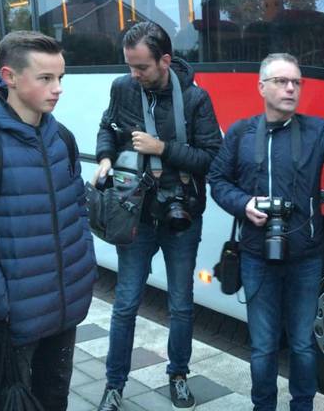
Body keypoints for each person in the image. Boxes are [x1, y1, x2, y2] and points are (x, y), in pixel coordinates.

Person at [207, 53, 324, 411]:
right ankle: (263, 406)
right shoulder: (241, 133)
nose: (291, 88)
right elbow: (217, 180)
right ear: (261, 87)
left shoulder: (316, 130)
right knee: (263, 347)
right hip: (255, 254)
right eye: (281, 81)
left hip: (305, 258)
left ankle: (302, 407)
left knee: (303, 345)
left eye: (296, 82)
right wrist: (244, 203)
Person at [0, 30, 96, 410]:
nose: (57, 88)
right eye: (46, 78)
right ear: (10, 77)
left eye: (61, 77)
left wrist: (83, 272)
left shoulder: (61, 138)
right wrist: (6, 301)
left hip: (64, 312)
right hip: (11, 323)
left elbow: (78, 208)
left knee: (54, 401)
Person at [93, 21, 222, 411]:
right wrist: (103, 158)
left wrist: (162, 148)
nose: (134, 75)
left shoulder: (196, 99)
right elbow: (107, 128)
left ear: (165, 60)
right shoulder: (123, 89)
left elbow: (211, 158)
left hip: (182, 216)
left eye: (142, 68)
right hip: (136, 214)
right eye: (130, 66)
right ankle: (114, 385)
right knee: (126, 303)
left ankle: (178, 375)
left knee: (181, 304)